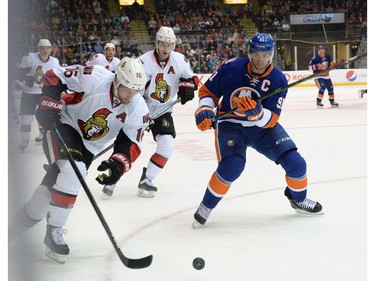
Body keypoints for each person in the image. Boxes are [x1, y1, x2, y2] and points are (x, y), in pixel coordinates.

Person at [8, 57, 149, 263]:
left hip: (89, 147)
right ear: (117, 80)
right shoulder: (95, 76)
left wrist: (117, 165)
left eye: (135, 90)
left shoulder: (138, 107)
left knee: (49, 190)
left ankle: (12, 230)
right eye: (127, 89)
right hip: (65, 123)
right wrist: (50, 102)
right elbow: (54, 75)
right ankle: (54, 230)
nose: (130, 95)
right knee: (75, 171)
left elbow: (131, 144)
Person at [192, 33, 324, 228]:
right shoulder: (232, 67)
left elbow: (273, 118)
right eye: (255, 54)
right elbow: (208, 93)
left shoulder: (278, 79)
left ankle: (299, 199)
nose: (260, 59)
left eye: (265, 54)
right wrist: (204, 109)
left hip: (262, 129)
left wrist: (258, 114)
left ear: (271, 55)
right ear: (249, 52)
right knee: (232, 166)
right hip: (231, 125)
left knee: (297, 164)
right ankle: (206, 205)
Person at [101, 26, 198, 199]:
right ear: (157, 42)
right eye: (163, 44)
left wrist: (187, 87)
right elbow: (133, 87)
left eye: (169, 44)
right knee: (127, 144)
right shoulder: (143, 62)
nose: (166, 48)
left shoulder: (180, 60)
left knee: (167, 143)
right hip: (139, 109)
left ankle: (148, 179)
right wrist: (140, 115)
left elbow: (191, 78)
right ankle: (112, 179)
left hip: (163, 110)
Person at [14, 39, 60, 151]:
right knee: (26, 119)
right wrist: (25, 80)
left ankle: (43, 137)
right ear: (38, 49)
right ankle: (24, 141)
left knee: (46, 118)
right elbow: (17, 72)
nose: (45, 50)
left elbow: (57, 77)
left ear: (50, 49)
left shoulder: (54, 62)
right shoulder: (30, 58)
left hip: (45, 93)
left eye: (47, 48)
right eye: (42, 48)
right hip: (29, 93)